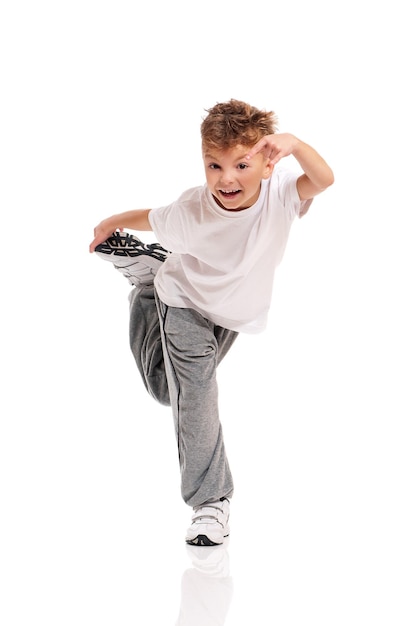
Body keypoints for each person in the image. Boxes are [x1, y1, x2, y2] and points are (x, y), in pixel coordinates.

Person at [89, 99, 334, 546]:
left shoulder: (281, 192)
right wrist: (110, 222)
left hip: (233, 313)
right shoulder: (192, 212)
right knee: (196, 397)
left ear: (266, 164)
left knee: (170, 392)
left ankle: (148, 277)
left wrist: (295, 144)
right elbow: (151, 217)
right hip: (185, 302)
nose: (226, 178)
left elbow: (324, 179)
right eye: (213, 165)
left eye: (241, 164)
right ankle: (211, 503)